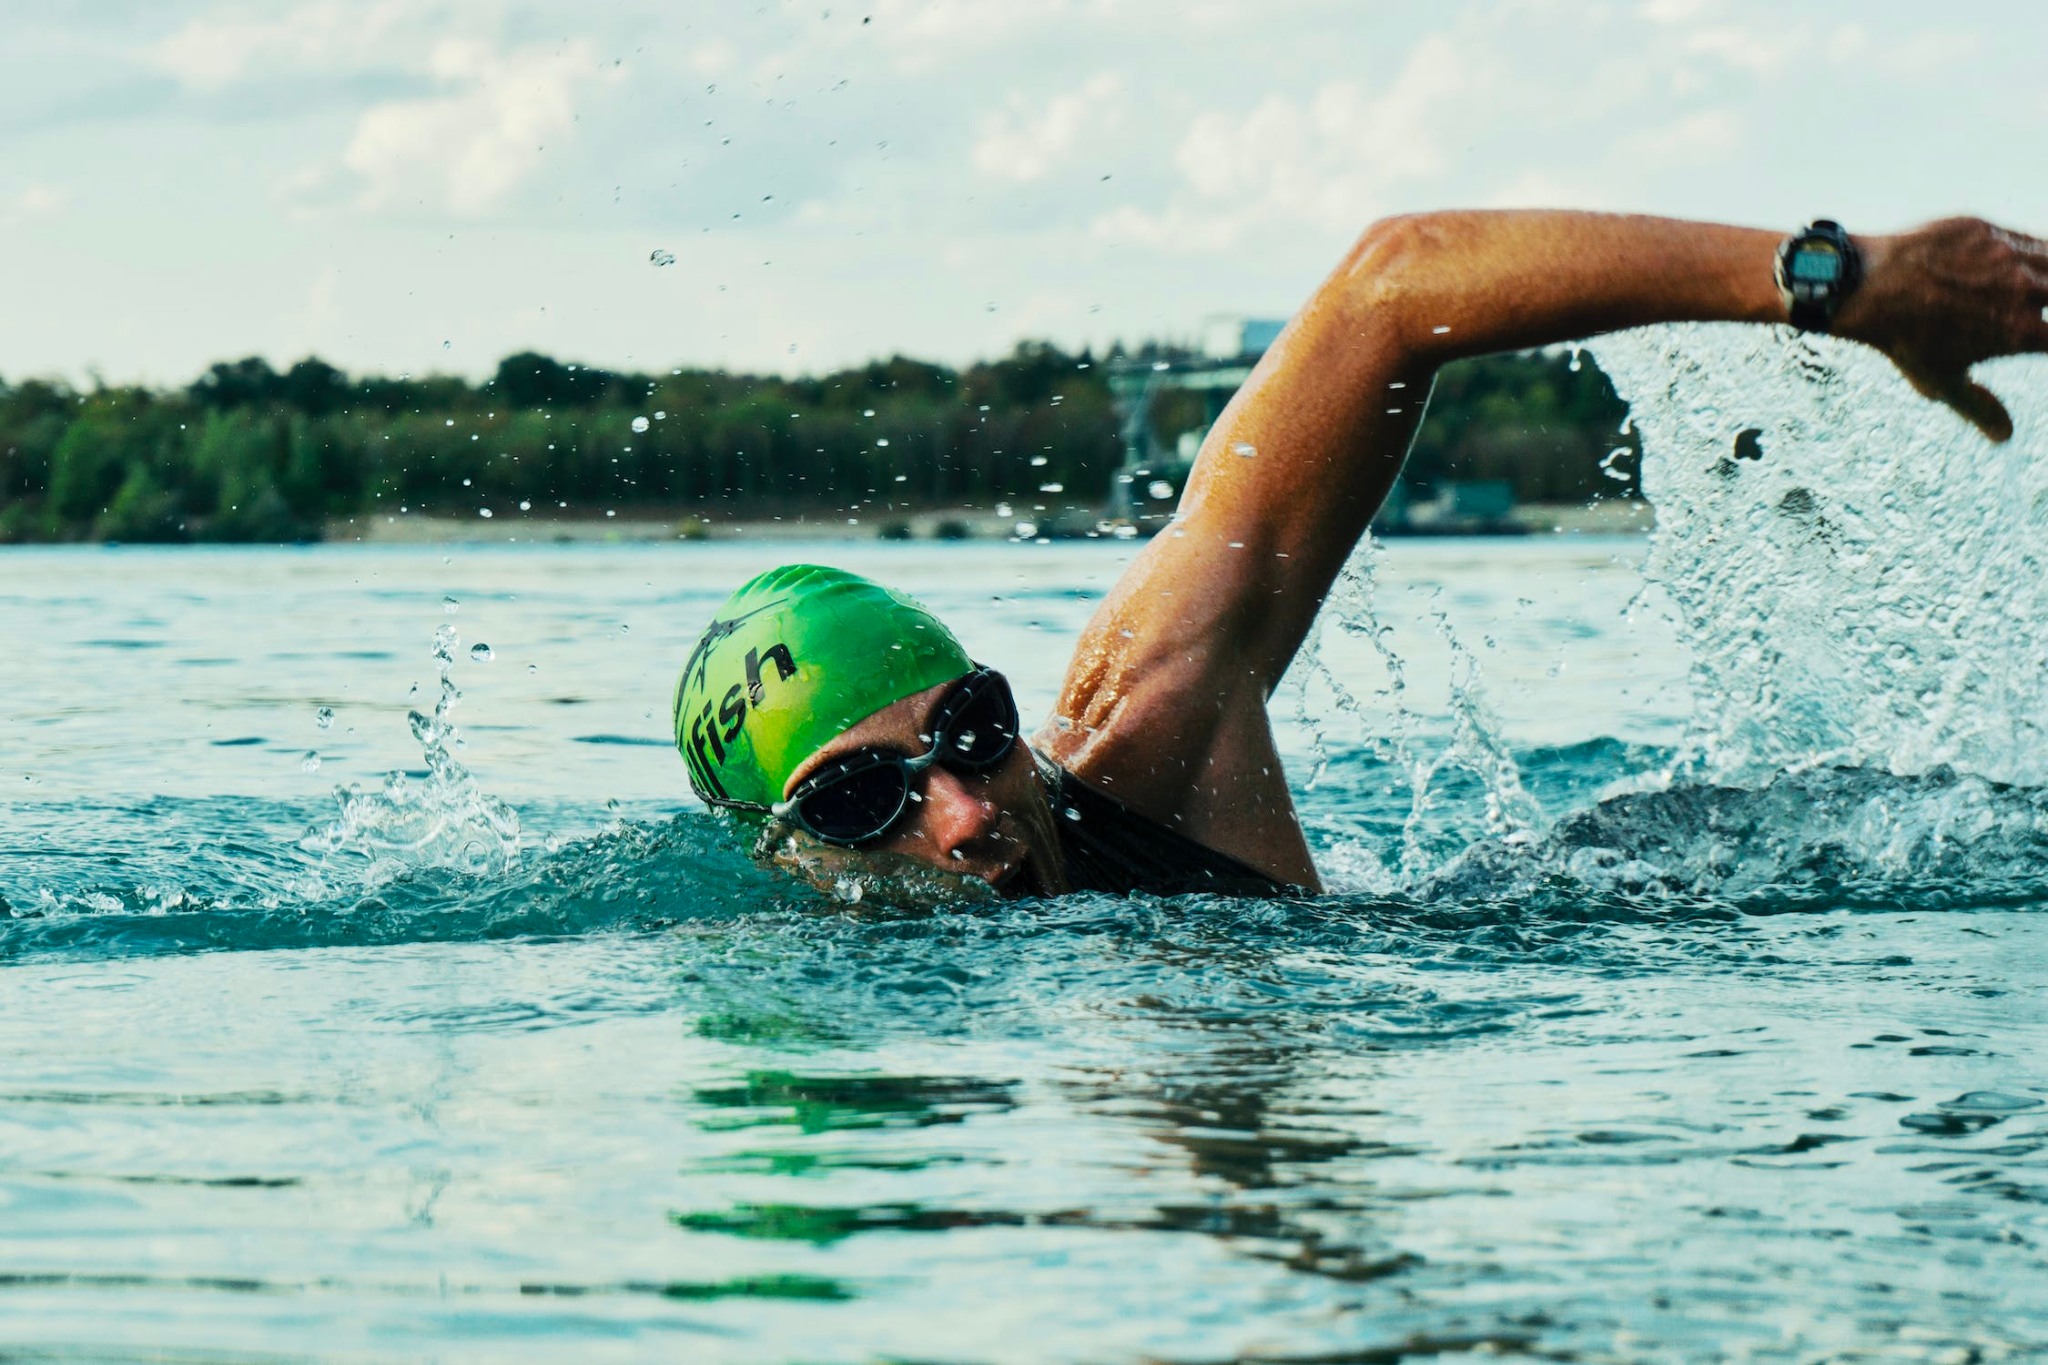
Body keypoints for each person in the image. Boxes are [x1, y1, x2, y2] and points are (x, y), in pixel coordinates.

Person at [675, 210, 2048, 899]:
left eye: (971, 732)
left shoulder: (1147, 731)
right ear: (784, 857)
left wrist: (1837, 282)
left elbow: (1390, 287)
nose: (966, 815)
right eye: (862, 803)